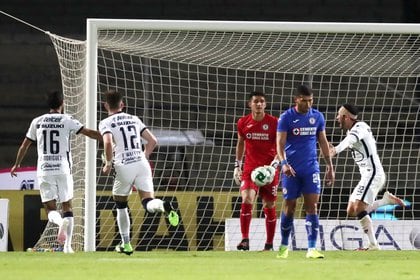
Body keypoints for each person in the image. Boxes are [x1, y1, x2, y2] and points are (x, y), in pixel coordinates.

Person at [10, 90, 102, 253]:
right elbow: (88, 132)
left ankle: (60, 223)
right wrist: (107, 139)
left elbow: (25, 145)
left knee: (51, 209)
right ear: (62, 104)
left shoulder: (37, 121)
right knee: (67, 206)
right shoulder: (67, 120)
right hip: (63, 168)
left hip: (45, 169)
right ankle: (67, 246)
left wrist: (17, 164)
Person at [99, 89, 179, 256]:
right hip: (142, 164)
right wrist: (144, 155)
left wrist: (107, 163)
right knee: (148, 202)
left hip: (124, 165)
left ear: (106, 105)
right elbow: (153, 140)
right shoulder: (134, 119)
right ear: (122, 104)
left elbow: (107, 143)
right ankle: (163, 205)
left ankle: (126, 244)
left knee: (121, 205)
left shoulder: (106, 122)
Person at [329, 103, 406, 250]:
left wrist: (335, 150)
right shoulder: (352, 130)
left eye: (339, 115)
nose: (337, 118)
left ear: (346, 117)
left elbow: (350, 140)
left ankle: (373, 244)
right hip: (366, 175)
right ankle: (385, 201)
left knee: (359, 207)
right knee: (351, 210)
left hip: (374, 173)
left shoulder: (360, 127)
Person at [276, 84, 335, 259]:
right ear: (296, 99)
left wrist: (330, 167)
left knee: (312, 206)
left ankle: (311, 248)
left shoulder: (317, 117)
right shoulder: (286, 117)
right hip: (291, 171)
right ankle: (284, 247)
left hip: (311, 169)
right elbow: (279, 144)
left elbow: (323, 142)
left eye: (311, 101)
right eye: (304, 101)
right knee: (290, 207)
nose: (308, 105)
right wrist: (284, 164)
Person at [234, 91, 280, 251]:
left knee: (269, 204)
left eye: (262, 101)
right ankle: (245, 240)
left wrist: (274, 164)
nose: (259, 104)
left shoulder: (274, 122)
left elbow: (281, 146)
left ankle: (269, 245)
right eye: (256, 101)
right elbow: (240, 143)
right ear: (250, 104)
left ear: (265, 105)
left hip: (269, 170)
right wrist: (237, 165)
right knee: (246, 199)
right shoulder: (243, 122)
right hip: (250, 169)